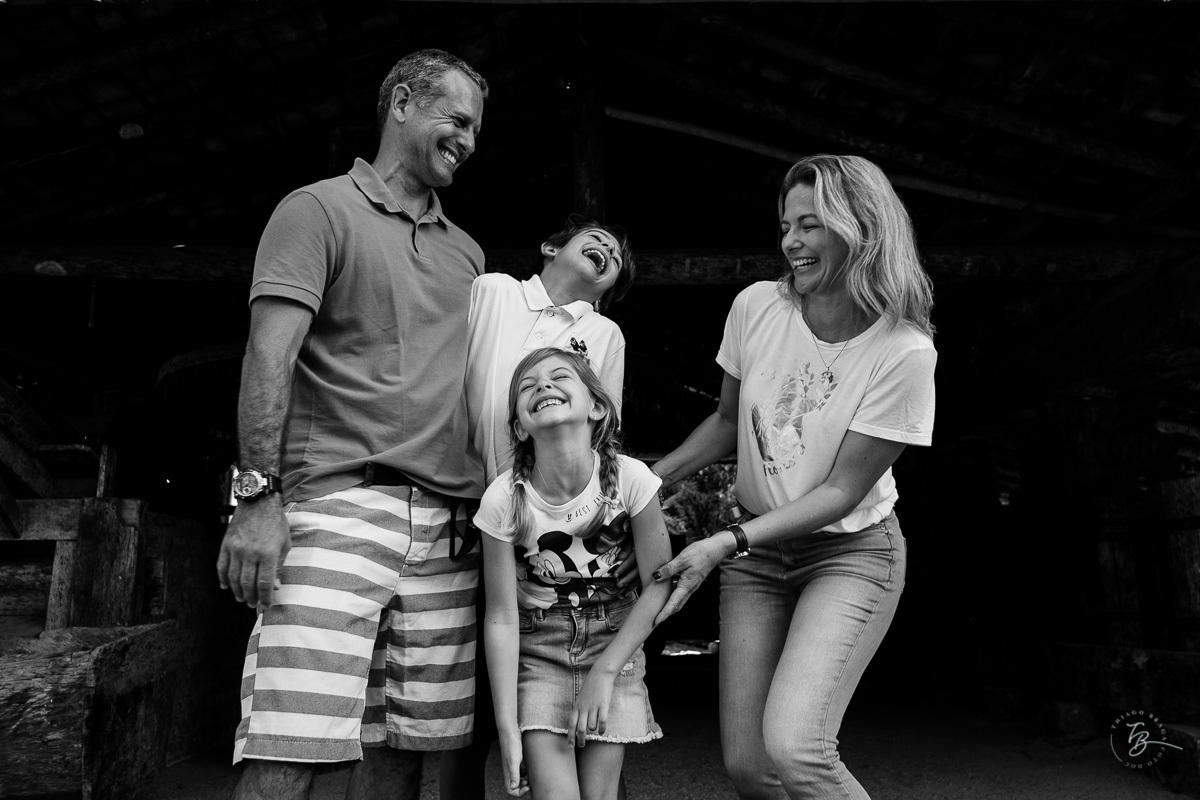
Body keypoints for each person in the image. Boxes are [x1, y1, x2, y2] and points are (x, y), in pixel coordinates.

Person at [215, 49, 489, 800]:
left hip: (447, 528)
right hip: (335, 505)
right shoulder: (317, 209)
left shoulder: (468, 254)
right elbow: (269, 355)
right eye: (455, 119)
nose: (467, 139)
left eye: (475, 129)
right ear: (402, 102)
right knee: (292, 742)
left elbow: (484, 390)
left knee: (404, 749)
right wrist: (256, 499)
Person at [650, 154, 937, 800]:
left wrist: (724, 542)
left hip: (851, 553)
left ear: (859, 225)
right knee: (751, 767)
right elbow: (726, 421)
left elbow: (841, 490)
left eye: (810, 224)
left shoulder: (904, 352)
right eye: (785, 226)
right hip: (758, 559)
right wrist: (650, 479)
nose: (791, 242)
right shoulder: (757, 308)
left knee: (798, 748)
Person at [441, 217, 638, 799]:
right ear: (551, 246)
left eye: (617, 255)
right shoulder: (494, 290)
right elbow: (445, 373)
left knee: (568, 671)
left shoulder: (604, 336)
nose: (607, 247)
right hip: (470, 504)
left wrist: (608, 528)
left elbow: (604, 435)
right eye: (594, 237)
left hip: (554, 526)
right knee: (468, 686)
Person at [474, 348, 672, 799]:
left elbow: (660, 585)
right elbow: (501, 616)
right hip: (539, 651)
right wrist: (508, 728)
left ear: (597, 407)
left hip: (615, 645)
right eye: (528, 385)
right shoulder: (503, 499)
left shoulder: (632, 480)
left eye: (559, 376)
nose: (542, 385)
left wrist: (605, 671)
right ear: (521, 426)